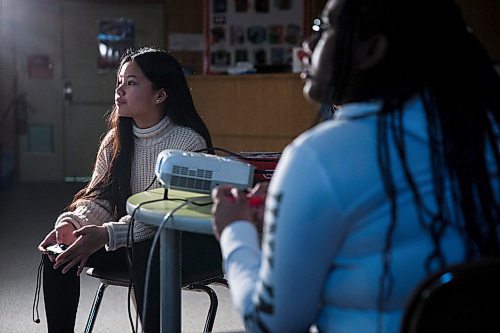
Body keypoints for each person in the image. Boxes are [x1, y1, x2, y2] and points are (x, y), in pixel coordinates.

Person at [210, 0, 500, 332]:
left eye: (323, 28)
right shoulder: (486, 136)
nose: (306, 46)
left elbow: (272, 324)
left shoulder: (318, 156)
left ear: (371, 49)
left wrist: (235, 230)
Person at [38, 47, 221, 333]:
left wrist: (106, 235)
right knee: (58, 253)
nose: (119, 90)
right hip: (130, 241)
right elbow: (99, 197)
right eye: (119, 82)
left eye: (131, 83)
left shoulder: (188, 143)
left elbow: (164, 216)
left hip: (180, 246)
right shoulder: (115, 140)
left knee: (148, 252)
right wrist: (73, 223)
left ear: (160, 94)